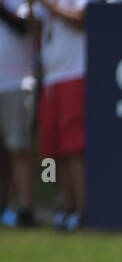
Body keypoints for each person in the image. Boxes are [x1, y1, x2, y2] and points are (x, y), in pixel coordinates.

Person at [32, 0, 87, 230]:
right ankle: (65, 207)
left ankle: (83, 210)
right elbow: (34, 34)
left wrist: (50, 6)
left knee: (73, 149)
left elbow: (81, 21)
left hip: (75, 76)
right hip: (50, 81)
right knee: (51, 151)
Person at [0, 0, 36, 227]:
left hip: (17, 85)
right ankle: (5, 206)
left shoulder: (23, 3)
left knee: (21, 150)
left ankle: (26, 209)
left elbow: (24, 27)